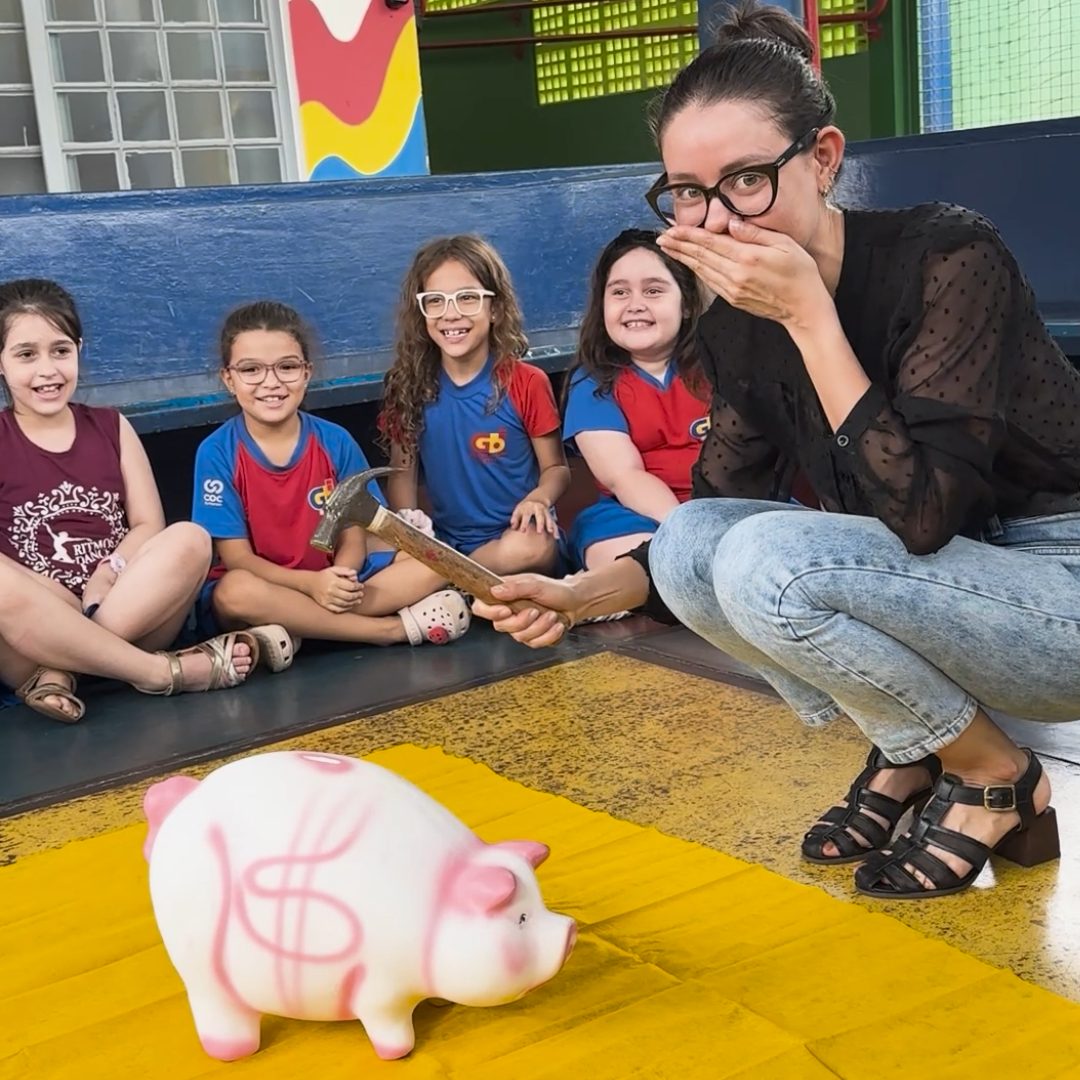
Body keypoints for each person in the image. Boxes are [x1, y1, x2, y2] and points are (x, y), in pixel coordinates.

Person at [475, 0, 1080, 900]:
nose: (714, 222)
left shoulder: (950, 256)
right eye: (687, 191)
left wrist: (809, 317)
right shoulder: (735, 331)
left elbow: (923, 514)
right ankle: (918, 749)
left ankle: (996, 774)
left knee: (770, 560)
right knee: (693, 542)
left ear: (825, 159)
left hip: (1054, 585)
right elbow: (711, 516)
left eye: (747, 180)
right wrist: (574, 595)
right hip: (948, 587)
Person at [0, 278, 265, 722]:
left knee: (191, 537)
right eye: (26, 354)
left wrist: (109, 572)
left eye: (60, 351)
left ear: (79, 349)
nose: (47, 370)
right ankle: (159, 673)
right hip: (31, 634)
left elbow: (148, 525)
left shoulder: (110, 426)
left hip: (125, 614)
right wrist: (50, 597)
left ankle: (69, 666)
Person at [193, 301, 470, 648]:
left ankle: (295, 626)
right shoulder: (217, 451)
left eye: (287, 367)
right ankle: (388, 631)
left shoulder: (334, 440)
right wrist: (310, 586)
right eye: (251, 370)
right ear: (228, 378)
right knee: (234, 593)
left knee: (434, 562)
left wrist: (341, 577)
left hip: (335, 578)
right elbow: (238, 559)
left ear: (307, 372)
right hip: (269, 585)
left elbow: (354, 534)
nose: (271, 382)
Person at [378, 235, 570, 575]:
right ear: (420, 311)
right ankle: (452, 579)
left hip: (516, 539)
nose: (450, 314)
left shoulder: (526, 381)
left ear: (495, 309)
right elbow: (402, 474)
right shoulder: (407, 385)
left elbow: (556, 469)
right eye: (435, 301)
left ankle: (448, 580)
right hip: (444, 542)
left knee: (533, 547)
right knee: (381, 553)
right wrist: (409, 532)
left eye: (467, 298)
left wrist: (538, 499)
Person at [562, 228, 707, 569]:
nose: (635, 305)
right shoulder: (592, 382)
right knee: (616, 555)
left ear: (685, 304)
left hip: (723, 503)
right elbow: (624, 477)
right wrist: (687, 532)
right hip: (636, 514)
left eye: (654, 291)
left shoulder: (718, 365)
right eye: (620, 292)